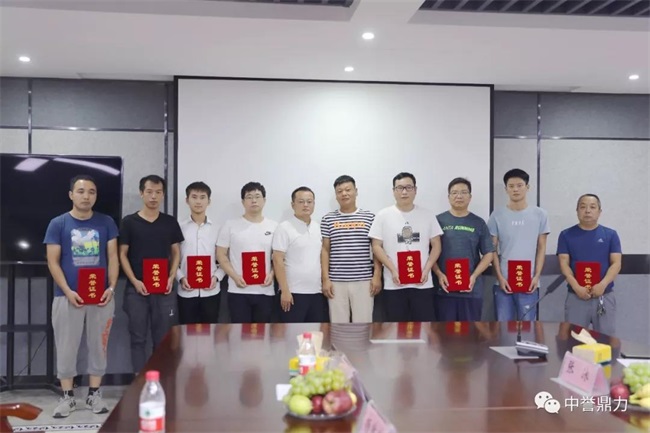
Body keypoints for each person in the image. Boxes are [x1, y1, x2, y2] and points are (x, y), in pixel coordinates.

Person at [44, 175, 119, 418]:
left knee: (99, 346)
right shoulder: (58, 223)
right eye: (81, 191)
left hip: (101, 297)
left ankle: (94, 394)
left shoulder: (106, 222)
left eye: (92, 192)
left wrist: (111, 288)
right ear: (71, 195)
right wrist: (68, 291)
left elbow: (113, 257)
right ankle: (68, 397)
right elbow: (53, 262)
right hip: (67, 296)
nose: (86, 196)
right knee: (66, 347)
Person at [119, 174, 184, 373]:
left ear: (163, 195)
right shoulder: (129, 222)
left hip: (164, 290)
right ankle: (140, 380)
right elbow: (122, 254)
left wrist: (171, 277)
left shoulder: (169, 222)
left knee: (163, 339)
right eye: (149, 192)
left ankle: (161, 379)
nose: (153, 196)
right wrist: (135, 281)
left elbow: (176, 252)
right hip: (136, 290)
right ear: (141, 193)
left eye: (158, 192)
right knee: (138, 338)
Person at [369, 172, 442, 322]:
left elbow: (436, 245)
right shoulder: (383, 215)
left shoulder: (428, 215)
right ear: (394, 191)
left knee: (425, 327)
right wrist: (393, 270)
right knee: (396, 328)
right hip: (394, 283)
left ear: (415, 190)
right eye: (400, 188)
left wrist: (426, 269)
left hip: (422, 283)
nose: (404, 192)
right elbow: (376, 246)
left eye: (408, 187)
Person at [488, 168, 550, 321]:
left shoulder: (540, 214)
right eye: (511, 186)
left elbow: (541, 248)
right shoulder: (497, 215)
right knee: (503, 328)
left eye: (519, 185)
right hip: (503, 282)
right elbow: (492, 249)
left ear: (527, 187)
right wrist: (500, 277)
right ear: (506, 189)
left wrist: (536, 276)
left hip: (530, 283)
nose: (515, 189)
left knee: (528, 328)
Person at [557, 194, 622, 335]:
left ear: (599, 211)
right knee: (574, 339)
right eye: (583, 207)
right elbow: (564, 264)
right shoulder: (566, 235)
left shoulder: (610, 235)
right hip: (576, 295)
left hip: (604, 295)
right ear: (577, 210)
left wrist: (602, 285)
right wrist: (576, 287)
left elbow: (616, 263)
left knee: (606, 340)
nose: (587, 211)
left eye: (592, 207)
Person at [320, 175, 381, 323]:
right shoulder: (328, 219)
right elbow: (325, 250)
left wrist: (377, 276)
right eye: (340, 191)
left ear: (356, 191)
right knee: (338, 325)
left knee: (363, 324)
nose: (344, 194)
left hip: (364, 280)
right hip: (336, 281)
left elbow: (377, 249)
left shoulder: (370, 217)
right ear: (336, 195)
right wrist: (325, 279)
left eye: (348, 190)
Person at [433, 178, 494, 321]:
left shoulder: (478, 222)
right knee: (444, 332)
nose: (459, 196)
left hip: (471, 290)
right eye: (454, 193)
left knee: (470, 333)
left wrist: (474, 276)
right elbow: (430, 254)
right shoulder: (437, 221)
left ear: (470, 197)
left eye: (463, 192)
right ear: (449, 197)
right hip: (444, 289)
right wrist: (439, 274)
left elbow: (488, 254)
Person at [216, 182, 277, 323]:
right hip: (238, 290)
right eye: (249, 197)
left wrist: (272, 274)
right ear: (243, 202)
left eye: (257, 196)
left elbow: (279, 257)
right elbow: (221, 254)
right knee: (239, 332)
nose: (254, 200)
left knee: (263, 332)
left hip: (265, 290)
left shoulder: (274, 226)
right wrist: (235, 276)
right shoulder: (230, 225)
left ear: (264, 200)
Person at [273, 186, 328, 323]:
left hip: (316, 292)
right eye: (301, 201)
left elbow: (322, 257)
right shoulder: (284, 228)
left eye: (309, 201)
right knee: (292, 334)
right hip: (293, 293)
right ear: (293, 205)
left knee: (315, 334)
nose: (305, 205)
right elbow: (278, 259)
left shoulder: (318, 227)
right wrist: (285, 291)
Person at [176, 181, 225, 324]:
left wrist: (216, 277)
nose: (198, 201)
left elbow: (225, 258)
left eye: (203, 197)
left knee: (210, 331)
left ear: (209, 201)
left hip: (211, 290)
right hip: (186, 290)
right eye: (194, 197)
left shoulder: (218, 228)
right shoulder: (178, 227)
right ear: (187, 200)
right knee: (186, 332)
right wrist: (180, 278)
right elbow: (172, 258)